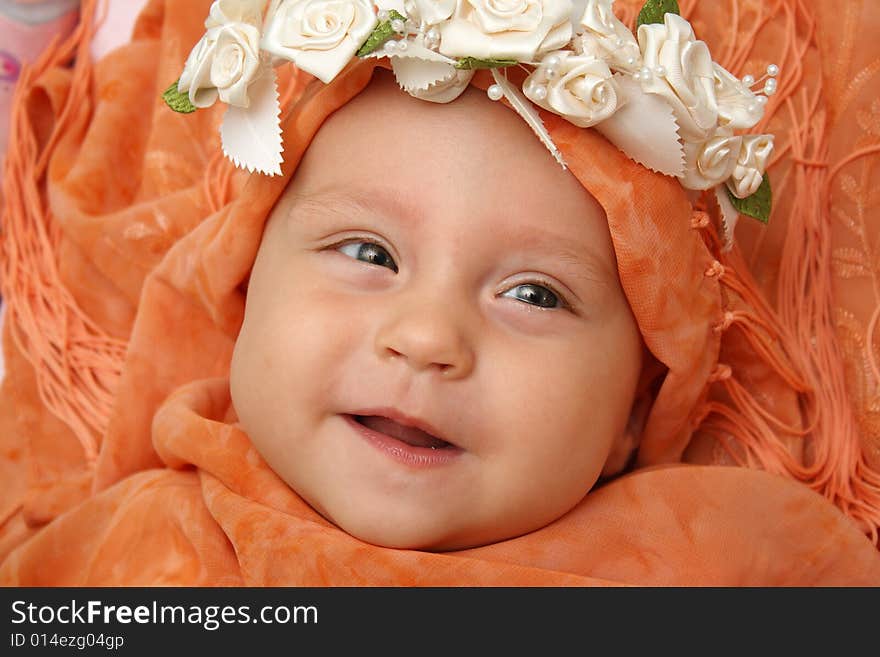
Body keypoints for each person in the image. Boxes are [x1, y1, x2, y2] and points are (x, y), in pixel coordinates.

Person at [1, 0, 879, 584]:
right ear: (239, 298)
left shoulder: (725, 555)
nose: (426, 337)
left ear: (633, 415)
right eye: (368, 252)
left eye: (535, 295)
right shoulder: (130, 549)